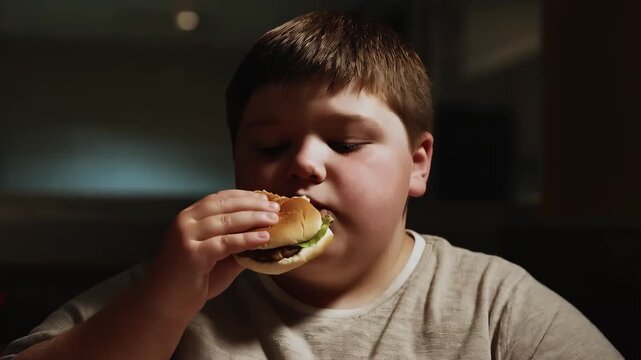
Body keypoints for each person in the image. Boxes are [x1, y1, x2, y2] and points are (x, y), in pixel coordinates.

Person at [2, 11, 623, 360]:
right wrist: (164, 304)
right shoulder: (172, 287)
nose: (303, 165)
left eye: (346, 142)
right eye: (270, 147)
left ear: (418, 164)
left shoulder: (494, 306)